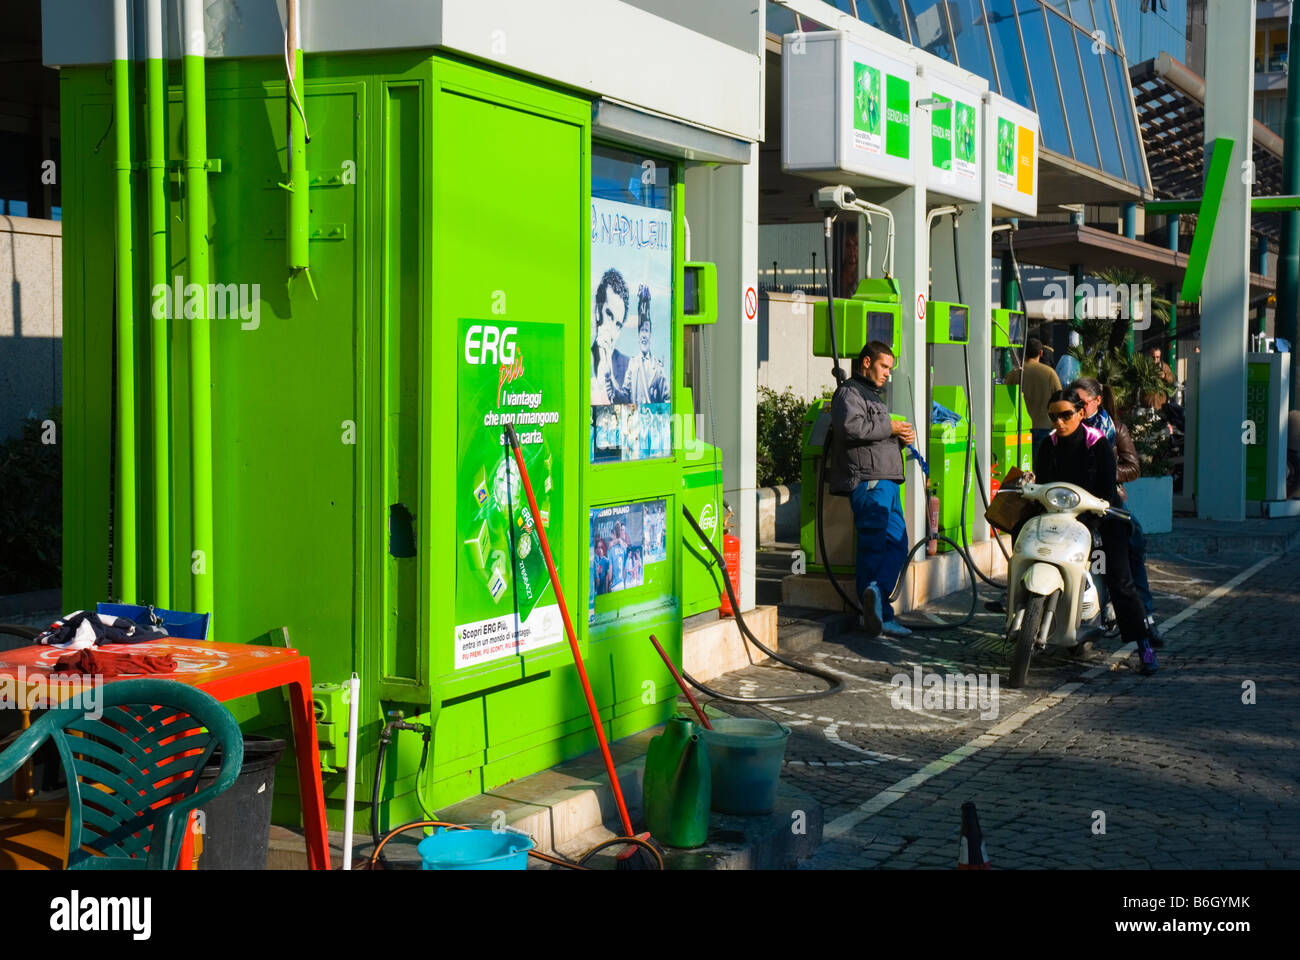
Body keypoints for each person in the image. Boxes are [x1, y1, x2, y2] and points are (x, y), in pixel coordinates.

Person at [1034, 388, 1158, 675]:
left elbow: (1105, 489)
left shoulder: (1097, 443)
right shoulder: (1047, 444)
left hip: (1103, 518)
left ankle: (1144, 646)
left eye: (1066, 415)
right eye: (1053, 416)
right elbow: (1042, 485)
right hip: (1062, 519)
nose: (1059, 422)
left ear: (1080, 413)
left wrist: (1093, 521)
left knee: (1119, 579)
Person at [827, 341, 915, 638]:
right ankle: (874, 612)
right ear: (866, 362)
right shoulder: (849, 392)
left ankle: (878, 603)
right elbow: (851, 428)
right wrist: (890, 428)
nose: (887, 373)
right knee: (874, 546)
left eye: (890, 368)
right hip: (870, 481)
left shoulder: (873, 396)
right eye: (884, 366)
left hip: (887, 480)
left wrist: (899, 438)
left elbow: (872, 432)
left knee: (898, 544)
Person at [1070, 377, 1163, 647]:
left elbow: (1133, 467)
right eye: (1068, 406)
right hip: (1071, 504)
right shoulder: (1064, 432)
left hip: (1107, 503)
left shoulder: (1114, 429)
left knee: (1129, 556)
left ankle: (1146, 627)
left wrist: (1108, 475)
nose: (1074, 410)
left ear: (1097, 401)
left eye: (1081, 403)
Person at [1005, 337, 1062, 464]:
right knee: (1040, 465)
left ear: (1023, 352)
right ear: (1041, 353)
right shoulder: (1050, 373)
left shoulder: (1014, 374)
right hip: (1044, 426)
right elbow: (1059, 398)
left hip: (1019, 427)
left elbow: (1005, 398)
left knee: (1021, 465)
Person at [614, 285, 670, 406]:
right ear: (638, 336)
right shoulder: (632, 364)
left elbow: (667, 400)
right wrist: (612, 388)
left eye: (646, 331)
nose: (644, 335)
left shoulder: (658, 368)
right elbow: (624, 397)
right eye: (642, 331)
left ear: (650, 335)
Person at [591, 268, 631, 406]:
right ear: (597, 311)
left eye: (618, 324)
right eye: (609, 314)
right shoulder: (581, 360)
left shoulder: (628, 369)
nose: (612, 330)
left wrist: (606, 365)